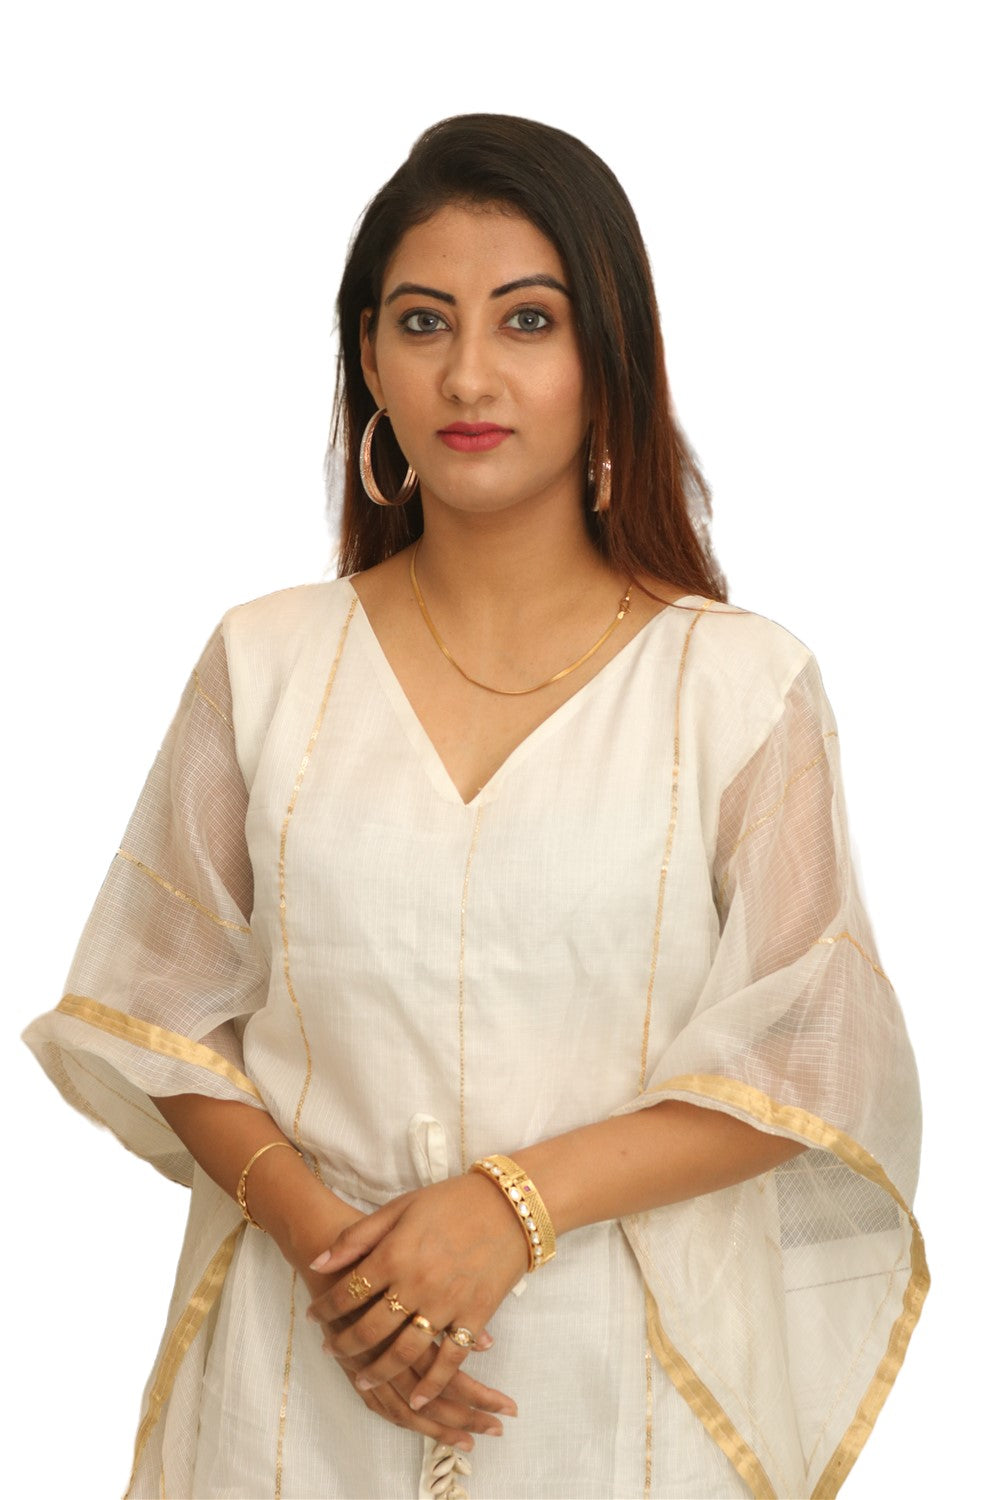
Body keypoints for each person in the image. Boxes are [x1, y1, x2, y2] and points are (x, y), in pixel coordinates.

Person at [24, 114, 926, 1500]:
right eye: (423, 321)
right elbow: (160, 1011)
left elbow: (812, 1056)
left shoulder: (739, 687)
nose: (469, 373)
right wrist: (341, 1265)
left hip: (621, 1396)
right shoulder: (266, 663)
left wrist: (512, 1211)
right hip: (293, 1383)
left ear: (608, 358)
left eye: (528, 320)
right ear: (369, 356)